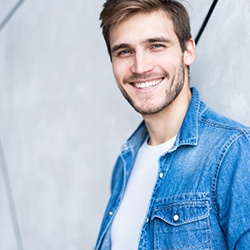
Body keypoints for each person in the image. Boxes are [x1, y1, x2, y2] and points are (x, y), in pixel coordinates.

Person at [95, 0, 250, 249]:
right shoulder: (125, 163)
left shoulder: (234, 152)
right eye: (124, 51)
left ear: (188, 50)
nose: (140, 67)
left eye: (156, 45)